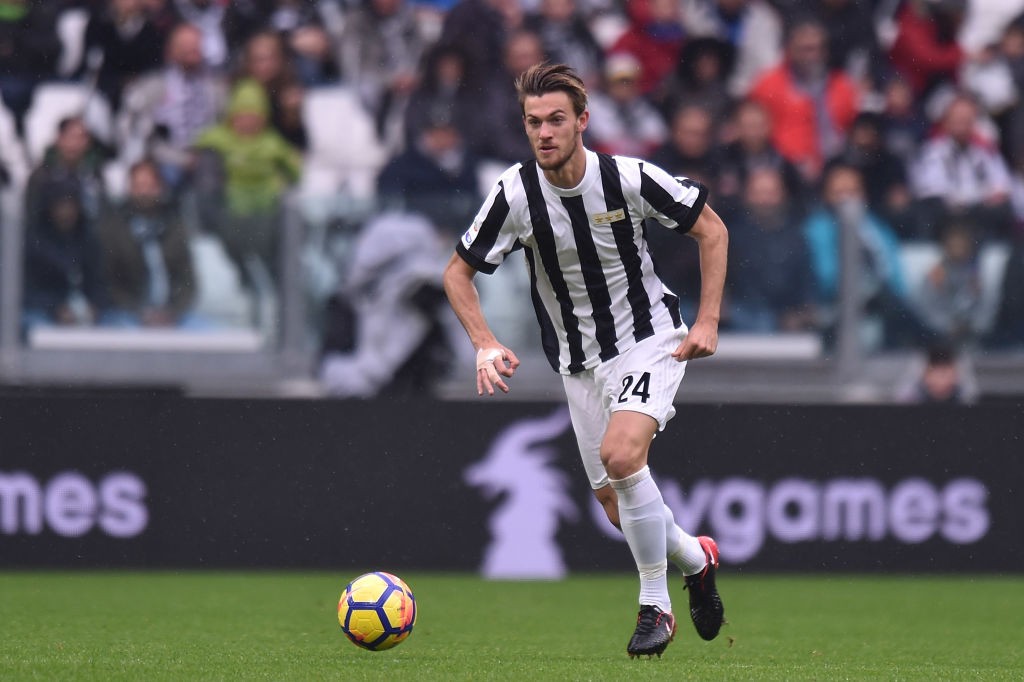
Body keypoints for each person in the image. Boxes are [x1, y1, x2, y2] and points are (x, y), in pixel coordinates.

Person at [442, 63, 727, 657]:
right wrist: (484, 341)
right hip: (578, 363)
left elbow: (713, 230)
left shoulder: (627, 178)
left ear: (582, 123)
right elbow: (457, 273)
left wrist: (706, 322)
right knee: (613, 505)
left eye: (555, 121)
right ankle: (696, 560)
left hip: (649, 340)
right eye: (533, 123)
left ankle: (656, 606)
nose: (544, 133)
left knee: (622, 455)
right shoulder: (515, 194)